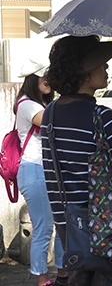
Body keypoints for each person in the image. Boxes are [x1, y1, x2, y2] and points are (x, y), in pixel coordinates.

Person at [40, 35, 112, 286]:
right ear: (85, 73)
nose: (107, 67)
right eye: (101, 63)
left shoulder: (50, 113)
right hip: (107, 231)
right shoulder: (101, 115)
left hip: (73, 234)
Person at [15, 60, 68, 286]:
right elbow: (52, 122)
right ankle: (42, 280)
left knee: (62, 224)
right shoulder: (27, 105)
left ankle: (63, 276)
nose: (48, 80)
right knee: (43, 228)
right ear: (31, 79)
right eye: (43, 76)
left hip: (48, 171)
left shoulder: (45, 103)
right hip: (34, 170)